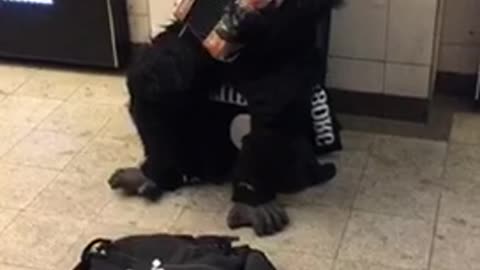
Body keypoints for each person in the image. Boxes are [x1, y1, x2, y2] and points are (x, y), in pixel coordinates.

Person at [109, 0, 341, 236]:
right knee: (149, 74)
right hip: (214, 22)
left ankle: (252, 186)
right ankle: (162, 165)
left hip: (278, 38)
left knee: (281, 100)